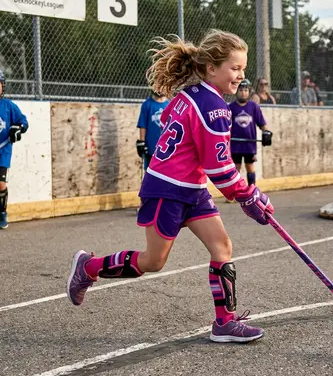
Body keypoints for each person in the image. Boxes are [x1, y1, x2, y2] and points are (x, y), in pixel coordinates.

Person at [67, 30, 274, 343]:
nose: (241, 76)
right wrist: (247, 196)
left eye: (243, 69)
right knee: (154, 261)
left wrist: (244, 194)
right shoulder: (213, 108)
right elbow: (219, 167)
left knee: (222, 247)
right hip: (167, 190)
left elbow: (205, 161)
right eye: (235, 68)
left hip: (191, 188)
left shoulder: (191, 95)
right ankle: (89, 267)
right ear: (211, 69)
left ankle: (225, 323)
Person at [229, 79, 272, 190]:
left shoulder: (253, 107)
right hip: (235, 144)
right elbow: (226, 126)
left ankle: (252, 190)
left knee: (250, 167)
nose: (243, 92)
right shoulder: (231, 108)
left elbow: (261, 123)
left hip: (249, 144)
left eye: (246, 90)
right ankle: (235, 191)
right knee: (236, 168)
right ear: (236, 91)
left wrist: (266, 132)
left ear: (249, 92)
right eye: (241, 90)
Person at [0, 71, 29, 230]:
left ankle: (2, 212)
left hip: (3, 150)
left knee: (0, 184)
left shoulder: (8, 106)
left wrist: (18, 128)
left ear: (2, 86)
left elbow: (23, 121)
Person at [136, 91, 169, 169]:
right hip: (151, 147)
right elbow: (143, 125)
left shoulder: (169, 104)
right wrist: (142, 142)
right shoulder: (147, 104)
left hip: (166, 148)